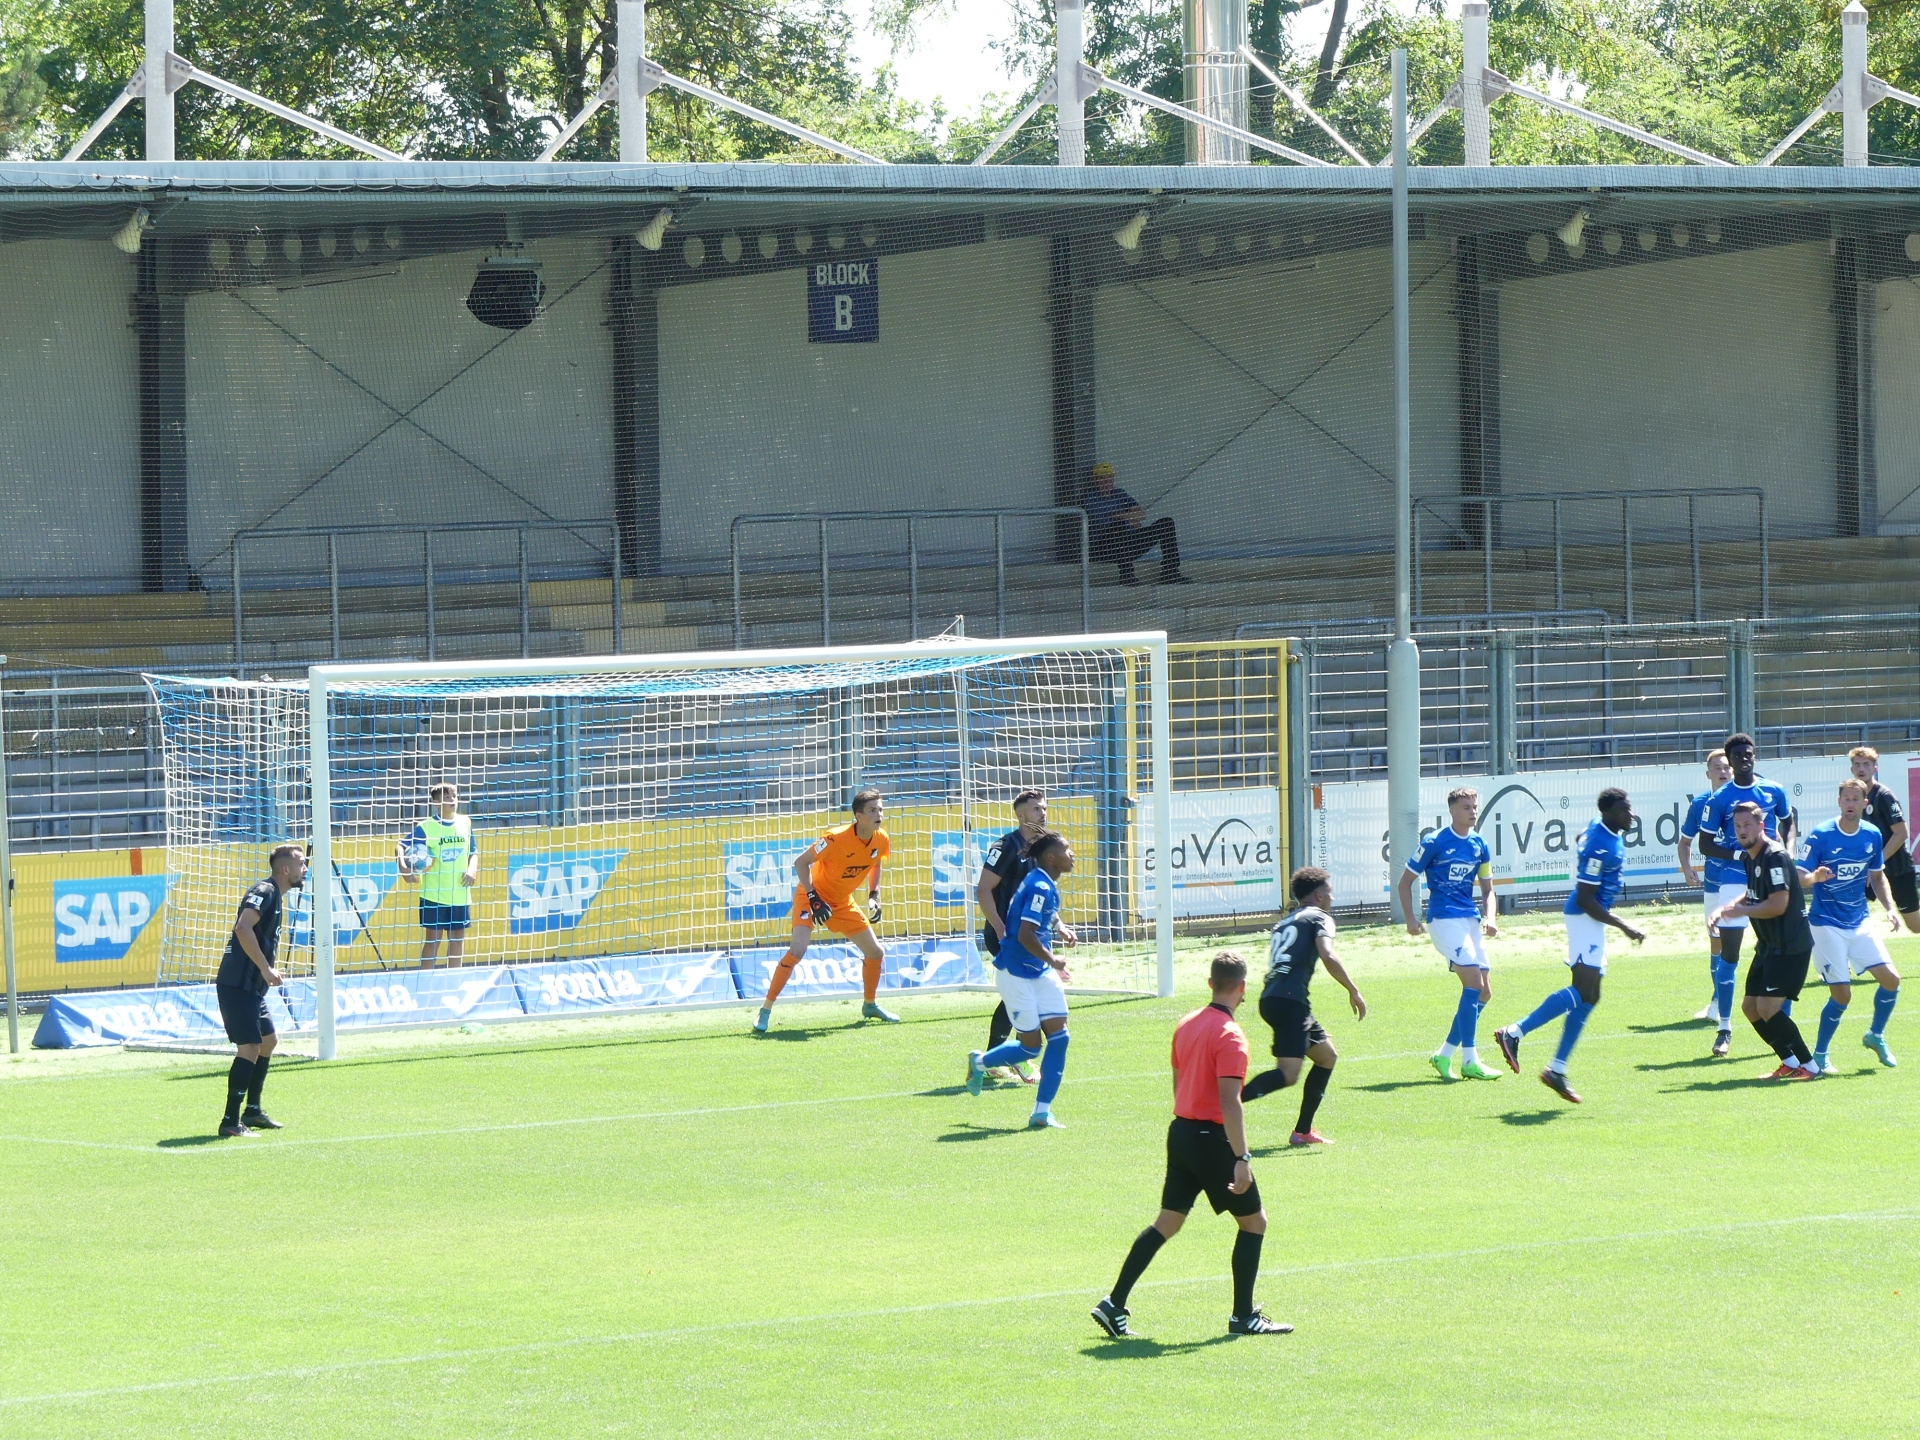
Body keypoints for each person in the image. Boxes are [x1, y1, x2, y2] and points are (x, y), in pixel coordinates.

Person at [1091, 951, 1291, 1339]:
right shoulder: (1231, 1036)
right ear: (1243, 987)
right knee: (1254, 1222)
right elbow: (1230, 1101)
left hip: (1181, 1132)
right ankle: (1243, 1317)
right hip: (1209, 1139)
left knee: (1167, 1222)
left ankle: (1114, 1303)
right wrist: (1241, 1157)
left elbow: (1178, 1083)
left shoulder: (1186, 1024)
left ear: (1211, 983)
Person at [1493, 788, 1645, 1104]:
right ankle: (1514, 1032)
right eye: (1623, 811)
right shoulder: (1601, 846)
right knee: (1583, 991)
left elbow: (1580, 837)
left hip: (1591, 921)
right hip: (1584, 918)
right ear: (1608, 813)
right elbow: (1586, 898)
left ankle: (1557, 1069)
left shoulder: (1600, 829)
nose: (1630, 815)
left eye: (1629, 809)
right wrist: (1624, 926)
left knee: (1591, 995)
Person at [1240, 867, 1366, 1146]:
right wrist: (1353, 989)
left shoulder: (1285, 922)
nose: (1332, 898)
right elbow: (1328, 955)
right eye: (1329, 892)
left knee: (1327, 1056)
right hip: (1289, 1001)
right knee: (1288, 1074)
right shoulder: (1320, 917)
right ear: (1319, 895)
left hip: (1275, 997)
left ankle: (1302, 1132)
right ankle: (1221, 1103)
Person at [755, 788, 896, 1031]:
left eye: (880, 809)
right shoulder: (834, 838)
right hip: (811, 897)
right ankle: (765, 1010)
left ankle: (870, 1005)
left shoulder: (881, 838)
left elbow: (875, 862)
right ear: (858, 816)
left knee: (875, 952)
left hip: (841, 902)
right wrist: (814, 898)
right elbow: (801, 862)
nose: (879, 814)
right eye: (872, 810)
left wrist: (874, 894)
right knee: (797, 951)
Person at [966, 833, 1074, 1128]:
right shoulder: (1039, 886)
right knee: (1030, 1047)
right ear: (1051, 857)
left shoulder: (1043, 882)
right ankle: (980, 1062)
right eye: (1066, 849)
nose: (1072, 854)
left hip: (1039, 972)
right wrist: (1054, 961)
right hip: (1015, 973)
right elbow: (1026, 935)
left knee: (1060, 1038)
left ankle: (1041, 1112)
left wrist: (1056, 940)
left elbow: (1037, 927)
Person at [1395, 787, 1501, 1081]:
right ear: (1452, 811)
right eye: (1466, 807)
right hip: (1444, 919)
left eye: (1475, 806)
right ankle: (1470, 1060)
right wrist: (1411, 919)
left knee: (1484, 991)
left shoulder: (1480, 844)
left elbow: (1488, 890)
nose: (1473, 811)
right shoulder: (1434, 842)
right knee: (1474, 984)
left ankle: (1444, 1055)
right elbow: (1404, 883)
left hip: (1470, 919)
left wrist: (1491, 918)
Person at [1696, 733, 1795, 1049]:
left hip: (1771, 878)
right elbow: (1704, 843)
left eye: (1748, 753)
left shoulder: (1773, 789)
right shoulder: (1720, 798)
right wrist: (1740, 855)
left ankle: (1783, 1025)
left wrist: (1788, 850)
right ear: (1729, 760)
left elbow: (1788, 822)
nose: (1744, 759)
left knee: (1780, 949)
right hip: (1735, 878)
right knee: (1730, 954)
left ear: (1754, 755)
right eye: (1737, 755)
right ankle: (1724, 1028)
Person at [1709, 801, 1818, 1080]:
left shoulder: (1775, 856)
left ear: (1761, 825)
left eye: (1747, 825)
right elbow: (1753, 892)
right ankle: (1789, 1062)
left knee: (1768, 1008)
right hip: (1768, 946)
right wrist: (1727, 908)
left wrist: (1742, 911)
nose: (1742, 830)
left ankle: (1810, 1066)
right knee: (1750, 1008)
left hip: (1789, 946)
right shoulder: (1750, 857)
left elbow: (1778, 905)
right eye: (1737, 826)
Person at [974, 789, 1076, 1083]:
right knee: (1020, 993)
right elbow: (983, 889)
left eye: (1044, 808)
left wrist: (1059, 925)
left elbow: (1041, 898)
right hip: (1007, 935)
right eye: (1036, 809)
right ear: (1020, 815)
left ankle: (1010, 1055)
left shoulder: (1044, 848)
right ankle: (1009, 1056)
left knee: (1023, 993)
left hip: (1030, 936)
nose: (1042, 813)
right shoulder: (1006, 846)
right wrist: (999, 927)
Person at [1800, 778, 1902, 1072]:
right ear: (1839, 802)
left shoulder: (1872, 835)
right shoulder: (1821, 835)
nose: (1850, 803)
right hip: (1826, 924)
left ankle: (1875, 1035)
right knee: (1842, 994)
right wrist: (1815, 878)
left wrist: (1889, 908)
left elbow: (1877, 876)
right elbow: (1799, 877)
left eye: (1856, 799)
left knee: (1892, 981)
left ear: (1865, 804)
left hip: (1859, 921)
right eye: (1846, 798)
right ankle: (1820, 1055)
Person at [215, 843, 306, 1137]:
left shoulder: (276, 896)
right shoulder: (265, 891)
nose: (305, 869)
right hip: (237, 985)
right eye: (301, 864)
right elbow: (242, 928)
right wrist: (266, 969)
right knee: (250, 1047)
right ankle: (230, 1121)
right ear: (286, 869)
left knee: (268, 1040)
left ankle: (252, 1110)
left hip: (253, 987)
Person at [1678, 747, 1737, 1038]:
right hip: (1714, 883)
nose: (1723, 771)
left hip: (1743, 883)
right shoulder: (1701, 804)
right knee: (1716, 943)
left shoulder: (1743, 799)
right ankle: (1717, 1002)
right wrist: (1687, 868)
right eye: (1717, 768)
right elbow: (1685, 842)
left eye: (1727, 767)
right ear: (1708, 774)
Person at [397, 781, 479, 969]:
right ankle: (426, 979)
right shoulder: (426, 827)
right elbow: (400, 846)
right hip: (433, 895)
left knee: (457, 938)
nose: (452, 800)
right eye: (447, 797)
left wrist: (472, 868)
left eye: (454, 796)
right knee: (433, 940)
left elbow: (473, 851)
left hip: (459, 893)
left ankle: (453, 979)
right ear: (436, 802)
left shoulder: (465, 822)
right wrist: (404, 868)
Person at [1082, 461, 1190, 587]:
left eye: (1109, 477)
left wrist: (1120, 516)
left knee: (1166, 523)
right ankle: (1126, 575)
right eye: (1102, 478)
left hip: (1129, 543)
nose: (1106, 482)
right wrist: (1129, 518)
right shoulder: (1090, 499)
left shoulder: (1120, 493)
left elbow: (1141, 515)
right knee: (1119, 526)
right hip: (1105, 548)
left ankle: (1170, 572)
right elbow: (1104, 522)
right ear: (1095, 480)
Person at [1852, 746, 1920, 935]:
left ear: (1875, 768)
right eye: (1857, 764)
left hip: (1897, 869)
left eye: (1866, 764)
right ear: (1852, 769)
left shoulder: (1884, 796)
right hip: (1869, 872)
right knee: (1848, 913)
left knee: (1915, 926)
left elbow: (1901, 833)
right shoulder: (1854, 798)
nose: (1861, 769)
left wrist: (1878, 861)